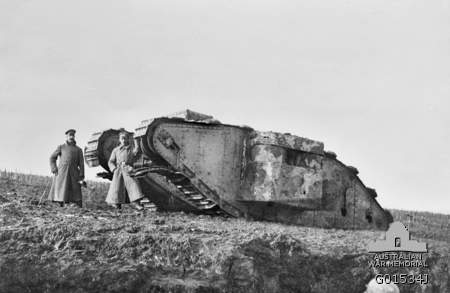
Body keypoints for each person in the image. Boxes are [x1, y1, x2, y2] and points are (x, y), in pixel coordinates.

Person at [106, 131, 145, 210]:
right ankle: (117, 205)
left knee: (134, 185)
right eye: (122, 139)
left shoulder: (131, 149)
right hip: (118, 170)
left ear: (128, 139)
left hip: (128, 169)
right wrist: (113, 168)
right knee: (117, 188)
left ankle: (136, 203)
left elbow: (137, 152)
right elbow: (111, 161)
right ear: (119, 140)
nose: (124, 140)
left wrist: (136, 141)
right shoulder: (116, 150)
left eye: (125, 138)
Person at [48, 129, 85, 207]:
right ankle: (59, 204)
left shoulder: (78, 150)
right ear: (66, 137)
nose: (71, 137)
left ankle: (74, 206)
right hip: (62, 172)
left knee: (75, 192)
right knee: (60, 189)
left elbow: (81, 164)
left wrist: (81, 176)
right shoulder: (61, 147)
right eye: (69, 135)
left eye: (73, 135)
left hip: (74, 173)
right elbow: (52, 158)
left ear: (74, 137)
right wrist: (54, 168)